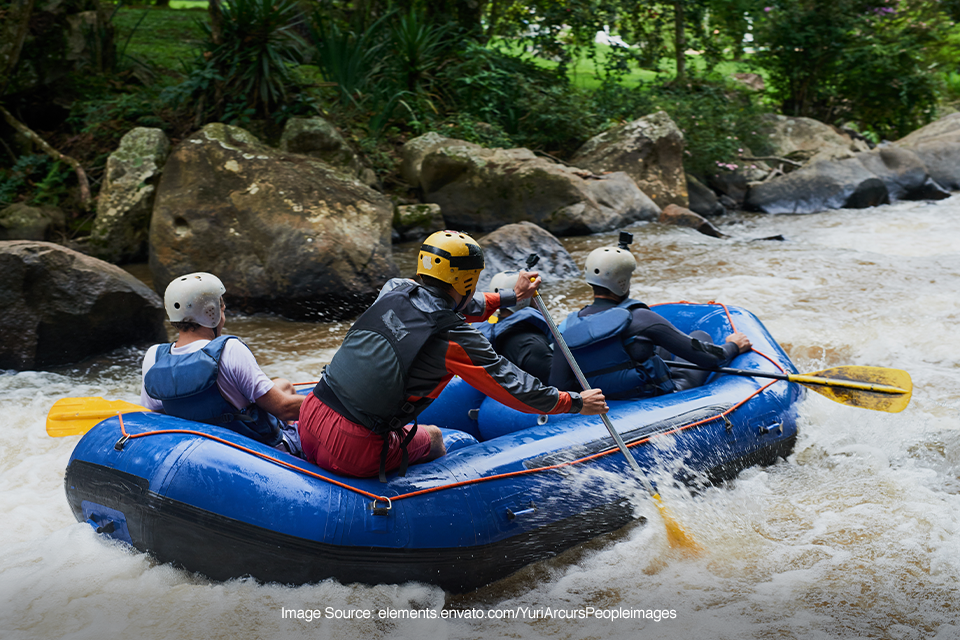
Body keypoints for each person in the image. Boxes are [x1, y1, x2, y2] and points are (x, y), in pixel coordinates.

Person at [299, 230, 608, 482]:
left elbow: (448, 303)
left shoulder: (394, 289)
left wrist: (511, 296)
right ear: (468, 280)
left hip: (309, 415)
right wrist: (577, 403)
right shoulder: (455, 339)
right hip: (352, 449)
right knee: (435, 437)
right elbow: (513, 388)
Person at [549, 235, 752, 399]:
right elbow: (709, 359)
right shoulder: (642, 319)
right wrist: (734, 345)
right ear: (624, 281)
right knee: (701, 335)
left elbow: (559, 386)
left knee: (654, 348)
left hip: (601, 402)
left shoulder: (566, 327)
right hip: (650, 397)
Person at [140, 272, 305, 456]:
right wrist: (328, 406)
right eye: (223, 310)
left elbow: (158, 415)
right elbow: (283, 408)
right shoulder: (230, 350)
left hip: (201, 452)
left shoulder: (154, 357)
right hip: (258, 448)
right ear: (211, 313)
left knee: (284, 385)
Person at [474, 271, 553, 384]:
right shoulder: (531, 345)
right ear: (523, 299)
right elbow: (559, 386)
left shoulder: (494, 335)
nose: (537, 300)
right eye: (534, 295)